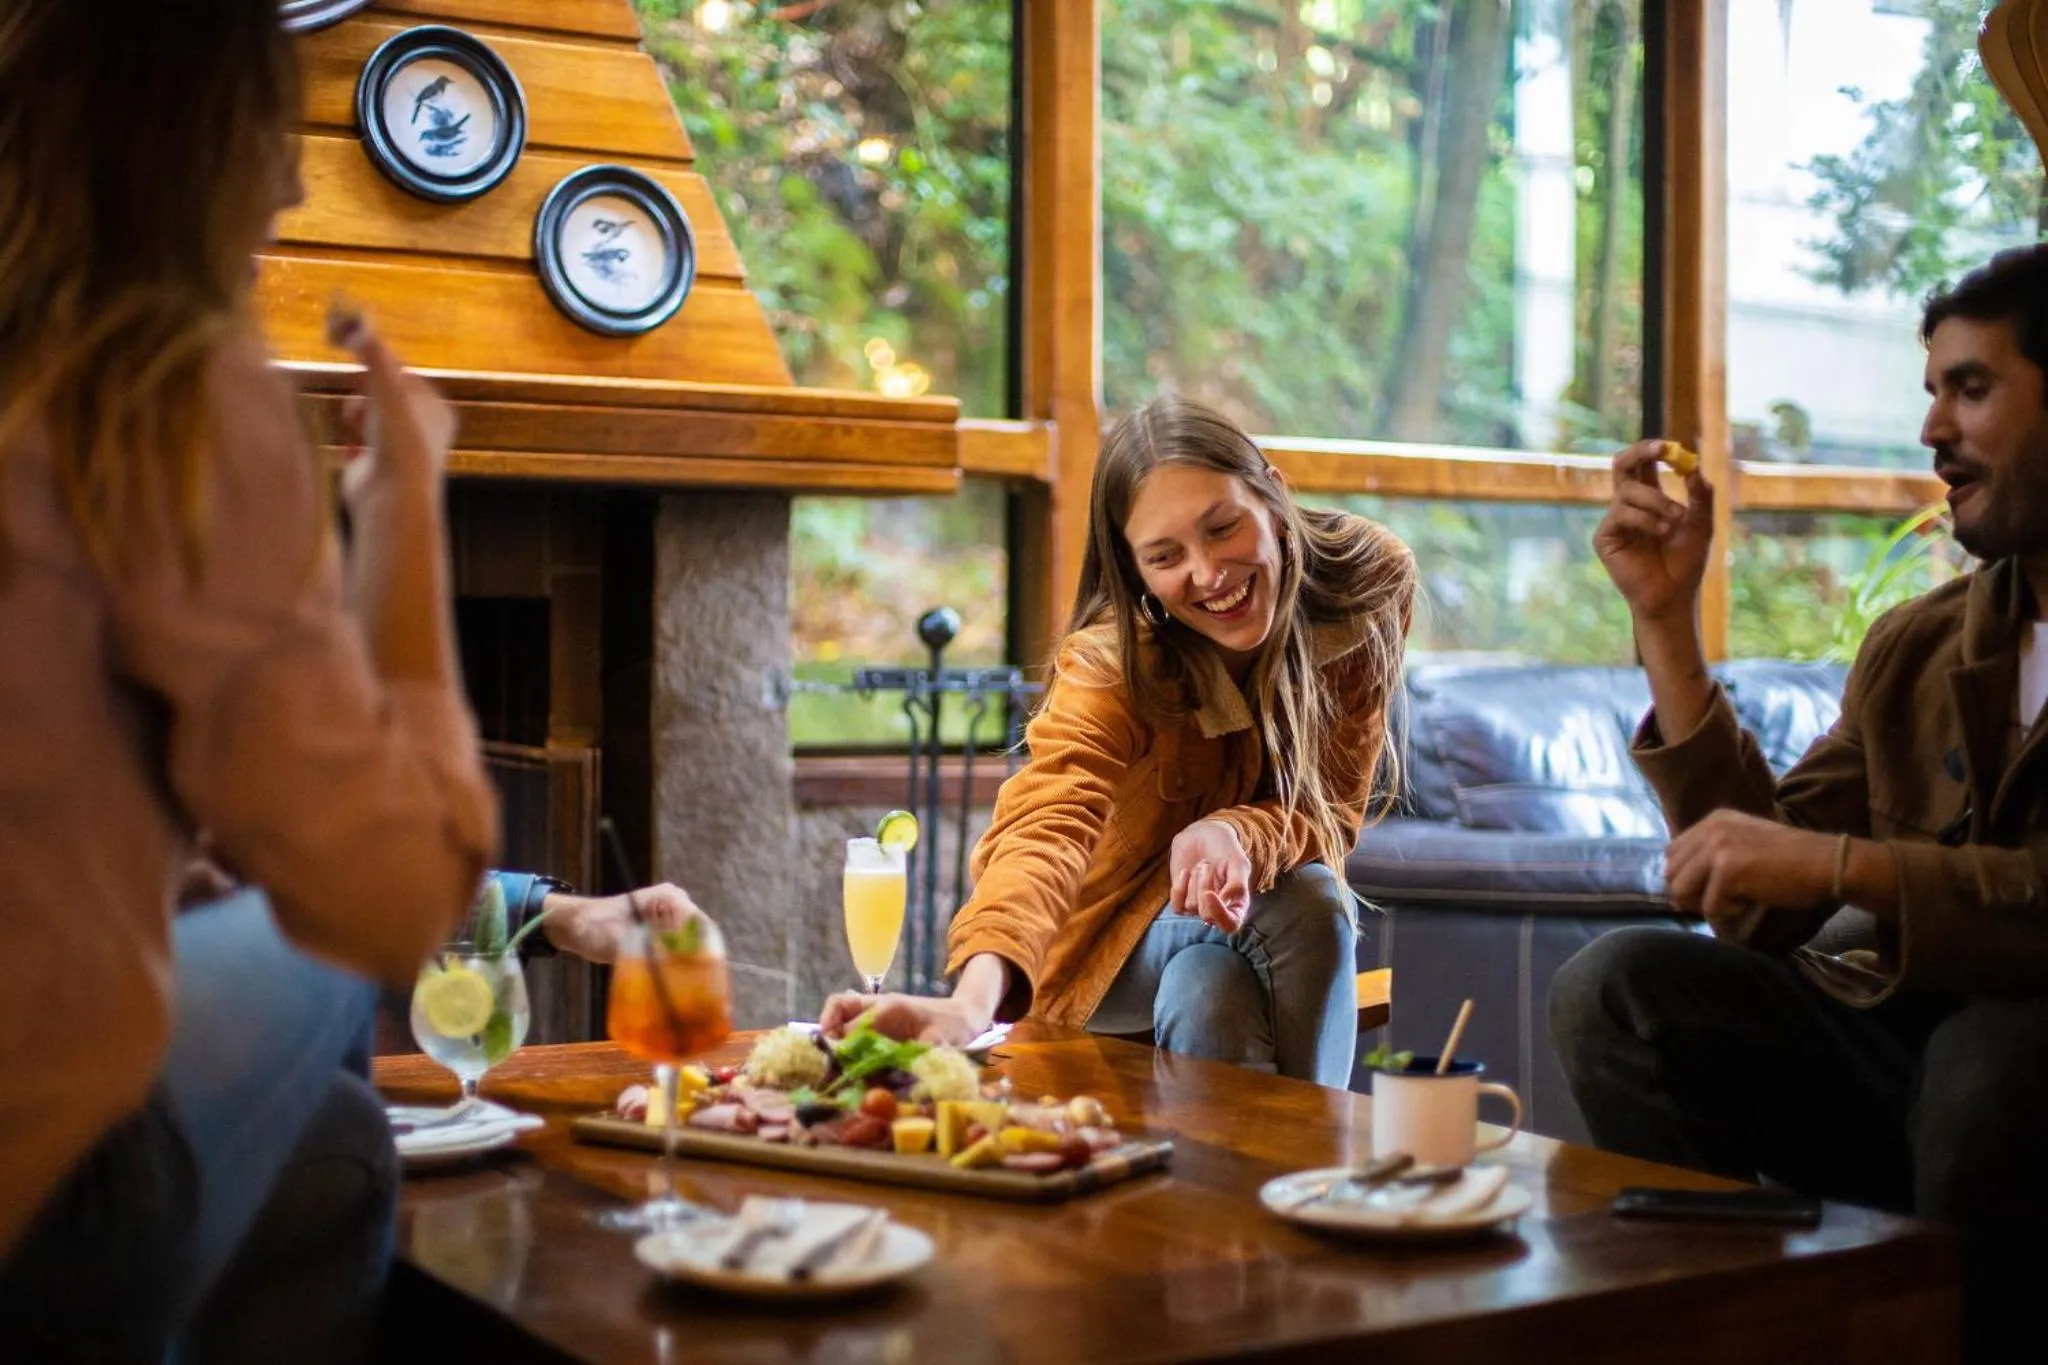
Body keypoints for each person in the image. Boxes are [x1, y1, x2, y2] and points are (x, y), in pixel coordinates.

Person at [0, 3, 497, 1361]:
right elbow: (394, 900)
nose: (288, 184)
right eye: (275, 131)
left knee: (331, 1142)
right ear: (192, 140)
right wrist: (401, 511)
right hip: (43, 1201)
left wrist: (149, 871)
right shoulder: (154, 388)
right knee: (321, 957)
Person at [1550, 244, 2048, 1361]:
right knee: (1617, 988)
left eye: (1969, 388)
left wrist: (1845, 872)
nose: (1929, 431)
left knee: (1988, 1062)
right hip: (1903, 1077)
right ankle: (1732, 1330)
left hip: (2010, 1097)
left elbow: (1826, 874)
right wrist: (1667, 625)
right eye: (1929, 392)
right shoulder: (1918, 644)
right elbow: (1762, 889)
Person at [823, 397, 1414, 1087]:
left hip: (1218, 941)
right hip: (1098, 959)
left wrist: (1236, 832)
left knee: (1207, 987)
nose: (1208, 573)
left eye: (1223, 527)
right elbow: (1045, 827)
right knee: (1308, 899)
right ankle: (1317, 1167)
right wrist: (968, 1005)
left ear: (1274, 495)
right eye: (1166, 555)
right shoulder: (1113, 664)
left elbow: (1331, 815)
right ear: (1136, 573)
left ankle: (1213, 1192)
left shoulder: (1360, 588)